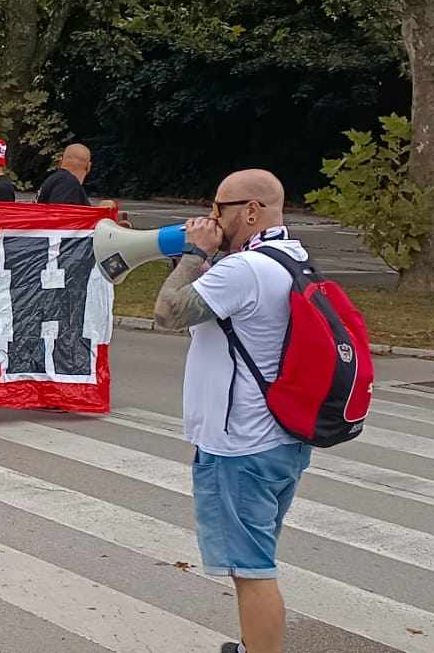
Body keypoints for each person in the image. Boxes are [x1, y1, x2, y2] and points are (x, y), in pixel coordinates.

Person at [150, 170, 310, 653]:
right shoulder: (290, 258)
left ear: (252, 211)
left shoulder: (243, 271)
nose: (210, 217)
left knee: (251, 570)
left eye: (220, 208)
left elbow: (168, 312)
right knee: (256, 558)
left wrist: (195, 254)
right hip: (278, 440)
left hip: (238, 446)